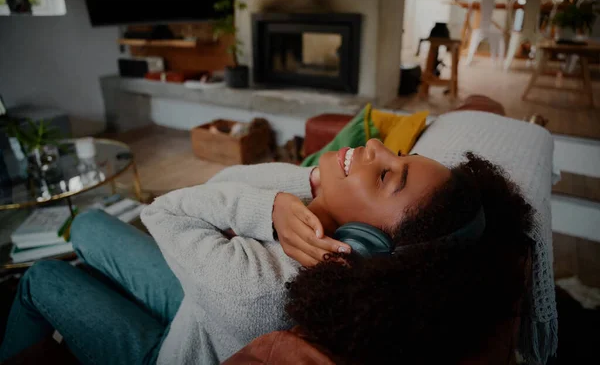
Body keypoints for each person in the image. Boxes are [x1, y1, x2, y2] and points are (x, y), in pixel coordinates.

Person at [0, 139, 533, 364]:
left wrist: (268, 210)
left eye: (388, 173)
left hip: (171, 350)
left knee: (43, 277)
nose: (374, 147)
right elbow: (227, 181)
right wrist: (296, 193)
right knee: (89, 223)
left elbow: (163, 210)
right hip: (197, 304)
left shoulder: (254, 285)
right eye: (398, 153)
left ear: (366, 245)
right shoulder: (331, 259)